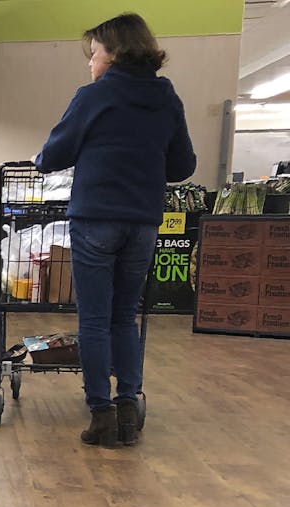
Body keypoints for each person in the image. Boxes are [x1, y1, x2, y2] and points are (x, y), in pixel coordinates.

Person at [35, 13, 196, 448]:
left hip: (95, 220)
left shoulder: (93, 97)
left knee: (93, 320)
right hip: (142, 222)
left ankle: (101, 415)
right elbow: (183, 166)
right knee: (125, 317)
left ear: (115, 52)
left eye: (95, 54)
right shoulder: (167, 99)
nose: (91, 64)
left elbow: (51, 156)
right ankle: (128, 406)